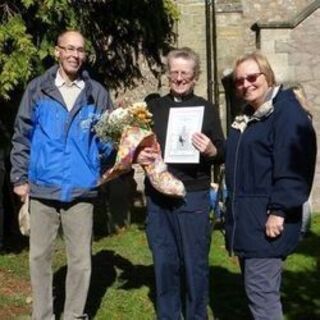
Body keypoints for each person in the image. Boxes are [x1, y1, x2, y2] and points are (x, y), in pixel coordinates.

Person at [10, 30, 114, 320]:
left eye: (80, 50)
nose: (75, 55)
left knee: (80, 262)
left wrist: (108, 151)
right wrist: (19, 178)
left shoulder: (97, 93)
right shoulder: (37, 89)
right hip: (42, 186)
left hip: (81, 189)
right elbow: (22, 136)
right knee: (39, 258)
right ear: (57, 51)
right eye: (69, 48)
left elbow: (109, 142)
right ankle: (41, 316)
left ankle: (73, 316)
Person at [224, 51, 317, 320]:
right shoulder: (251, 115)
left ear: (268, 77)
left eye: (252, 77)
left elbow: (295, 163)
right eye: (239, 81)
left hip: (267, 220)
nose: (245, 84)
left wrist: (279, 210)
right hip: (250, 219)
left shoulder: (286, 113)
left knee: (262, 297)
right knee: (260, 292)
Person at [137, 47, 225, 319]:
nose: (178, 78)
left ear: (195, 76)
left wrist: (211, 150)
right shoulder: (153, 108)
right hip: (158, 198)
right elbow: (137, 147)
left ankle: (196, 315)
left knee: (194, 265)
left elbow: (221, 151)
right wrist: (139, 154)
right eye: (174, 72)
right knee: (164, 264)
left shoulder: (207, 109)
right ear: (168, 74)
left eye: (184, 73)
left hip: (193, 197)